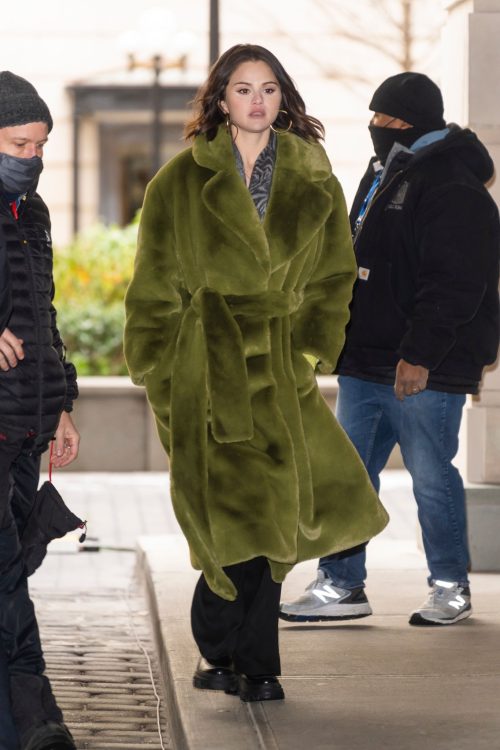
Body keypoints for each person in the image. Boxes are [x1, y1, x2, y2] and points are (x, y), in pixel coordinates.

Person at [124, 43, 388, 702]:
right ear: (220, 99)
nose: (257, 101)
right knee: (227, 517)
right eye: (243, 89)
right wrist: (158, 368)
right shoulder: (179, 182)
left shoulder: (314, 179)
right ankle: (223, 646)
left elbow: (333, 276)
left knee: (272, 519)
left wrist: (308, 350)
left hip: (278, 368)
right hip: (203, 367)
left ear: (283, 97)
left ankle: (252, 661)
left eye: (268, 89)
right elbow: (153, 284)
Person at [280, 72, 500, 628]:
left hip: (424, 365)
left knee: (431, 479)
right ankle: (341, 583)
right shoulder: (385, 170)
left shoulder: (452, 184)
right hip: (366, 359)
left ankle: (450, 586)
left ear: (415, 122)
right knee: (348, 476)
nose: (377, 126)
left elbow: (456, 282)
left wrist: (420, 354)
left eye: (389, 119)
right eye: (375, 117)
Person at [0, 72, 80, 749]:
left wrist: (63, 406)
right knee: (5, 579)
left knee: (13, 573)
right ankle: (32, 724)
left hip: (28, 423)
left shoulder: (37, 213)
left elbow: (45, 316)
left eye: (41, 146)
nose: (33, 158)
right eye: (18, 145)